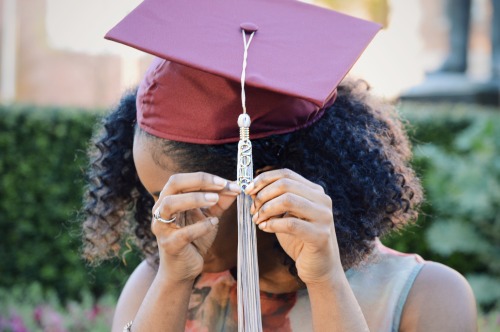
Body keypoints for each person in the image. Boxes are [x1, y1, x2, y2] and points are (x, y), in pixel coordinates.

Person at [82, 0, 478, 331]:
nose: (161, 217)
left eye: (169, 194)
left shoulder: (424, 296)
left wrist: (325, 282)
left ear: (258, 183)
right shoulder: (158, 282)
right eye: (153, 197)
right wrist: (171, 283)